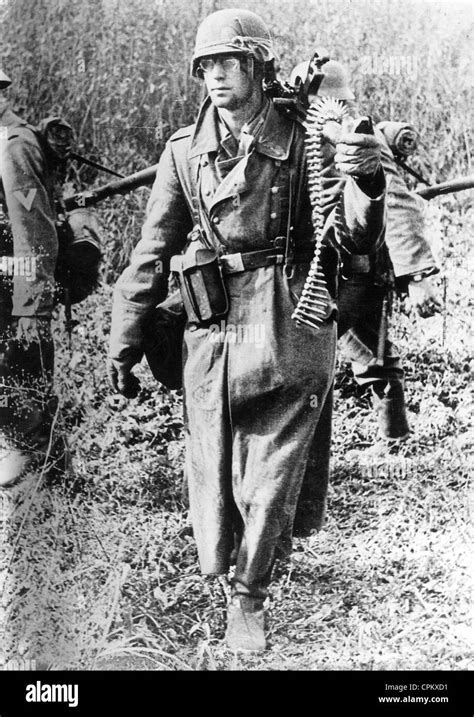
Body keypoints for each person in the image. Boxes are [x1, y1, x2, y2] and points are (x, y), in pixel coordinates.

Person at [108, 8, 386, 651]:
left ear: (258, 67)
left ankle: (250, 597)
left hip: (292, 315)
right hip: (213, 328)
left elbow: (353, 234)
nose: (214, 77)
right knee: (219, 470)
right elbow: (153, 251)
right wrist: (124, 340)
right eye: (204, 67)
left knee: (273, 466)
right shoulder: (183, 149)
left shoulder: (307, 136)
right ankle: (237, 565)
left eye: (227, 63)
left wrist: (367, 180)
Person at [290, 58, 441, 536]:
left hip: (354, 271)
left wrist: (418, 273)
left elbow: (397, 202)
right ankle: (390, 436)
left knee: (365, 353)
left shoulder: (360, 137)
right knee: (356, 355)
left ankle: (393, 441)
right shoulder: (299, 137)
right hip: (316, 268)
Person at [0, 71, 72, 486]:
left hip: (13, 297)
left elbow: (34, 232)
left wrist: (31, 310)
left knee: (20, 400)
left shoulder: (14, 145)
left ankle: (49, 493)